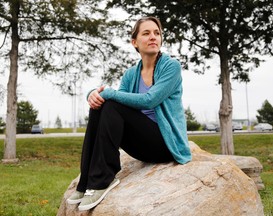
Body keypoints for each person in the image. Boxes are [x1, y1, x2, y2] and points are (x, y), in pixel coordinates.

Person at [66, 16, 192, 211]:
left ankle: (102, 181)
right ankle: (86, 182)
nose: (153, 37)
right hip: (142, 145)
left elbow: (150, 100)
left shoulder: (171, 67)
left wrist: (107, 93)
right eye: (146, 33)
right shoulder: (131, 74)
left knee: (111, 102)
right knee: (102, 106)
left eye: (157, 33)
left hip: (165, 144)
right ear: (134, 42)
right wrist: (92, 94)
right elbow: (115, 100)